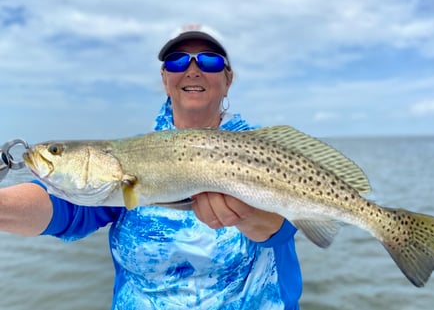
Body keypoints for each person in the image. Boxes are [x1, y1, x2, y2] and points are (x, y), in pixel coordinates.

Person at [0, 25, 302, 309]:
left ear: (228, 80)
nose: (192, 70)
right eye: (177, 61)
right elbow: (68, 208)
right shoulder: (135, 154)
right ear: (164, 78)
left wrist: (249, 216)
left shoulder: (264, 150)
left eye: (209, 61)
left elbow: (290, 222)